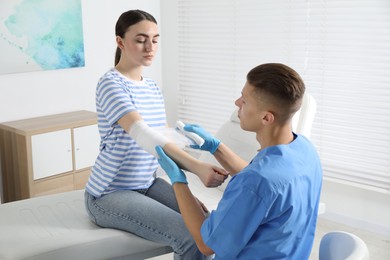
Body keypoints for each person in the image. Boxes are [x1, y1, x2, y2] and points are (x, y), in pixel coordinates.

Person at [84, 9, 228, 260]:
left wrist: (186, 187)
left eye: (155, 39)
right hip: (109, 193)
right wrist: (198, 168)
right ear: (120, 42)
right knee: (190, 236)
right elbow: (144, 134)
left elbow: (162, 138)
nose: (150, 47)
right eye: (141, 40)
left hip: (147, 183)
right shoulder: (110, 83)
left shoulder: (150, 87)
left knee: (204, 225)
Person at [156, 63, 323, 259]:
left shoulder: (256, 181)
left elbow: (206, 244)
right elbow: (264, 189)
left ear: (267, 118)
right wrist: (216, 147)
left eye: (244, 101)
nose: (237, 103)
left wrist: (178, 180)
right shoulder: (305, 150)